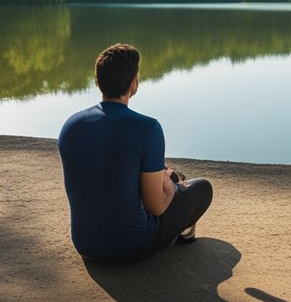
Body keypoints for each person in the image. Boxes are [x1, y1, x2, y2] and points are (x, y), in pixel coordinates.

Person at [58, 43, 213, 263]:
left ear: (97, 81)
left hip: (86, 244)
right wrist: (170, 185)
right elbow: (156, 207)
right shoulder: (147, 128)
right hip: (133, 245)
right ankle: (184, 232)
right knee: (201, 187)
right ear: (133, 84)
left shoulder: (70, 126)